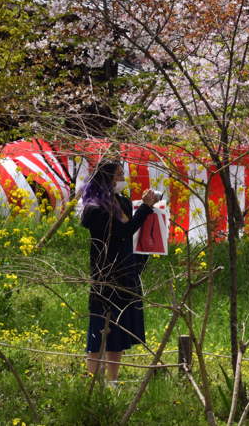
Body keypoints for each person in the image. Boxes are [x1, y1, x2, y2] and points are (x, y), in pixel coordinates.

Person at [80, 160, 157, 384]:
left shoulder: (122, 201)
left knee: (120, 331)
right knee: (100, 329)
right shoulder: (95, 209)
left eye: (123, 174)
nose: (122, 180)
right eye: (118, 175)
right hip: (106, 275)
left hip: (126, 271)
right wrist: (144, 207)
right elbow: (122, 231)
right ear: (105, 178)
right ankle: (91, 380)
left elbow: (133, 230)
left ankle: (112, 381)